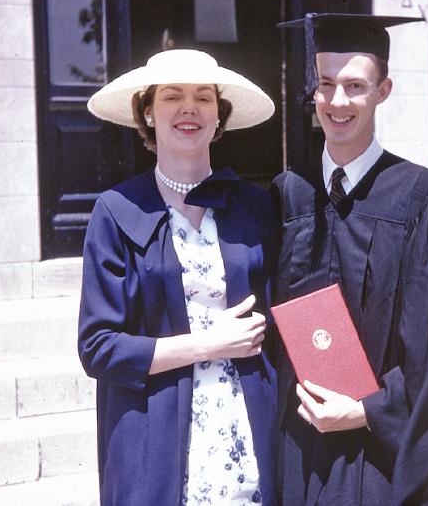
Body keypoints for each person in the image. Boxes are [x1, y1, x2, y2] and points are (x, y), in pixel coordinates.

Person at [271, 13, 428, 505]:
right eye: (325, 84)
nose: (338, 102)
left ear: (383, 90)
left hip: (382, 457)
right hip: (298, 449)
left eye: (355, 86)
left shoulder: (421, 198)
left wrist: (365, 410)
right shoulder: (287, 194)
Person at [78, 49, 278, 505]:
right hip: (156, 435)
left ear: (219, 115)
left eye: (203, 98)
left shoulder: (255, 205)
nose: (189, 109)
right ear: (148, 112)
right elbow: (97, 348)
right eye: (172, 96)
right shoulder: (115, 211)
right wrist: (208, 343)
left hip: (245, 430)